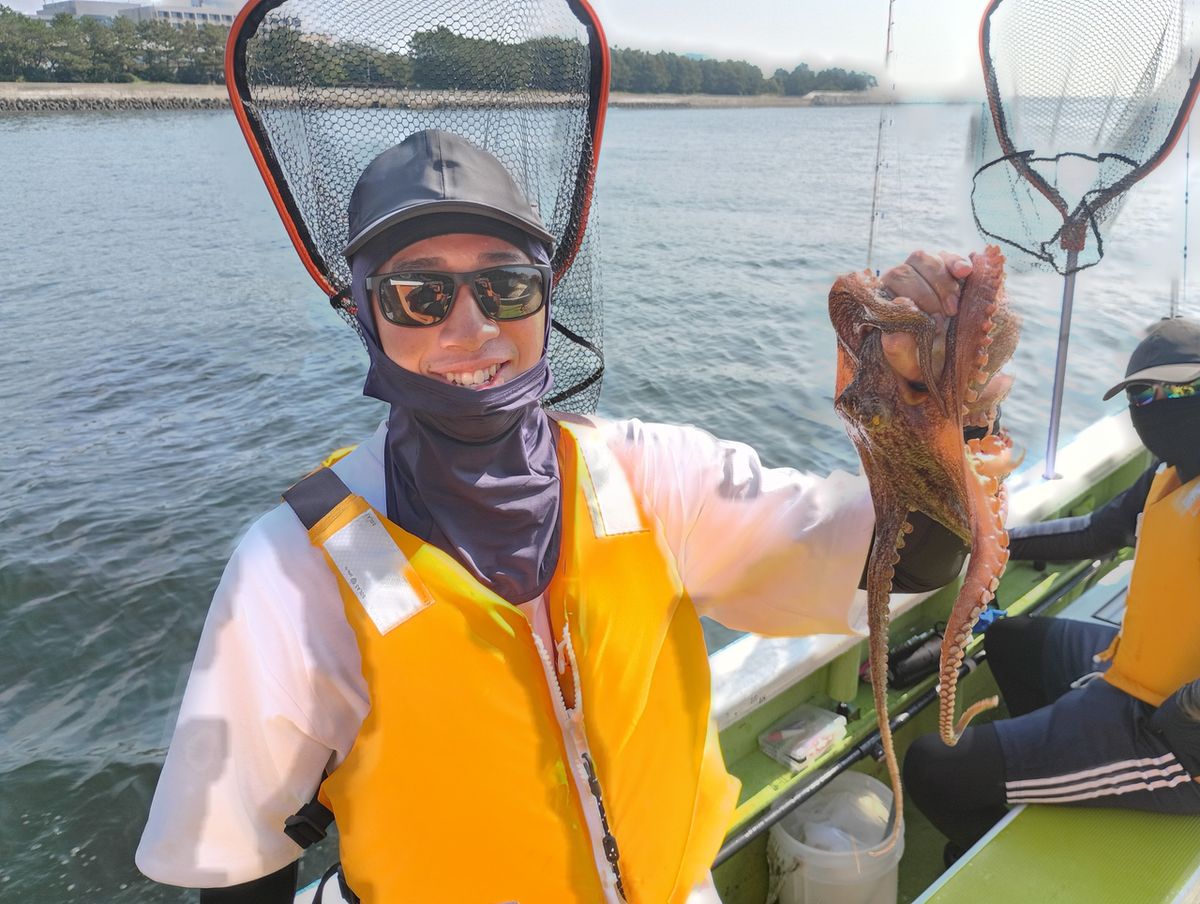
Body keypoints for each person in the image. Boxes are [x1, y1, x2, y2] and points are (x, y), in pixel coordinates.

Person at [135, 129, 971, 903]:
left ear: (545, 297)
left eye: (505, 285)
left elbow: (915, 560)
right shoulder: (292, 566)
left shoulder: (652, 474)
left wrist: (931, 411)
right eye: (418, 294)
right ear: (364, 310)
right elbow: (239, 857)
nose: (472, 327)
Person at [904, 316, 1200, 864]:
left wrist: (1185, 721)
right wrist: (993, 540)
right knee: (1013, 639)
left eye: (1182, 389)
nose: (1157, 405)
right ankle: (1048, 776)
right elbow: (1095, 531)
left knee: (933, 765)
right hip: (1127, 669)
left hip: (1173, 740)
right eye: (1141, 394)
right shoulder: (1172, 467)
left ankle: (998, 862)